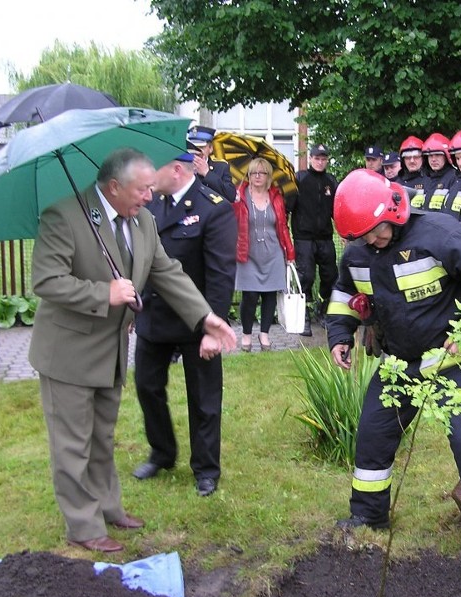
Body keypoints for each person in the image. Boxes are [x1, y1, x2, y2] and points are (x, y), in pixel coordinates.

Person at [28, 148, 237, 553]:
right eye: (142, 189)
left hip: (110, 349)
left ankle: (108, 507)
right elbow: (46, 280)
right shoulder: (64, 217)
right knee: (73, 443)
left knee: (101, 436)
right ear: (113, 187)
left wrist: (204, 317)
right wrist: (102, 292)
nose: (149, 196)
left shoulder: (142, 220)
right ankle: (83, 526)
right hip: (68, 351)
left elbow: (167, 272)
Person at [326, 168, 461, 582]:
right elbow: (345, 293)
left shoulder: (439, 235)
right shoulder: (358, 250)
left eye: (375, 233)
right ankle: (369, 516)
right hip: (398, 364)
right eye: (360, 238)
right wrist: (341, 332)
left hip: (452, 360)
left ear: (392, 212)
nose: (370, 242)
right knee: (373, 435)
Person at [132, 152, 237, 497]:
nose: (147, 176)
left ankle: (206, 468)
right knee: (147, 386)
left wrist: (213, 329)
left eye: (153, 167)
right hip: (155, 316)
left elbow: (221, 275)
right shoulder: (151, 207)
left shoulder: (213, 207)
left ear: (176, 169)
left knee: (204, 397)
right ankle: (162, 453)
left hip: (197, 319)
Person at [234, 157, 295, 351]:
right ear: (249, 176)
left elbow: (283, 227)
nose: (257, 176)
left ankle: (265, 334)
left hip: (273, 253)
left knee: (270, 296)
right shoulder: (239, 196)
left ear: (269, 176)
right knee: (250, 295)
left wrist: (290, 253)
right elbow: (232, 222)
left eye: (262, 173)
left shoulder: (276, 197)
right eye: (253, 173)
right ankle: (246, 334)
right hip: (248, 253)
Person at [291, 144, 337, 336]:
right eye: (317, 158)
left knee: (330, 276)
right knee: (306, 276)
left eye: (323, 159)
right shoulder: (300, 178)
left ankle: (324, 309)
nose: (320, 162)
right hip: (304, 238)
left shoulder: (331, 181)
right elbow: (288, 205)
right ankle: (304, 315)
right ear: (310, 159)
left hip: (325, 237)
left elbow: (337, 209)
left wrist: (343, 231)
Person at [187, 126, 237, 203]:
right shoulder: (182, 165)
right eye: (193, 147)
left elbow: (230, 196)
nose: (197, 152)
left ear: (210, 148)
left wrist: (207, 173)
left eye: (201, 147)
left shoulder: (221, 166)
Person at [421, 132, 456, 212]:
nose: (433, 159)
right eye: (430, 155)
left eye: (437, 155)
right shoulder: (425, 178)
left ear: (446, 156)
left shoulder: (454, 177)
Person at [397, 135, 427, 207]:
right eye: (407, 157)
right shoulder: (398, 183)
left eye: (416, 157)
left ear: (423, 158)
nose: (412, 161)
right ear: (403, 160)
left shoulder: (431, 180)